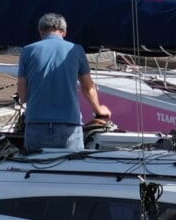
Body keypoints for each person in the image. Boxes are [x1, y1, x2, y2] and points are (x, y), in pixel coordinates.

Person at [16, 13, 108, 154]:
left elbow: (22, 94)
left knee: (35, 165)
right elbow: (88, 88)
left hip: (36, 123)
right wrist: (98, 109)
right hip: (69, 124)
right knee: (71, 165)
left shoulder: (27, 51)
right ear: (64, 32)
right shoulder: (76, 50)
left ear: (40, 31)